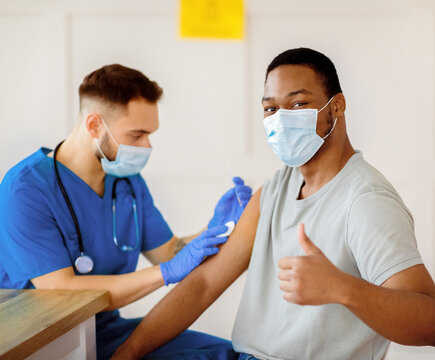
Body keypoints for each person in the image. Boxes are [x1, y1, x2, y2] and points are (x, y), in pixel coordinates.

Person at [113, 48, 435, 360]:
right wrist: (125, 355)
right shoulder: (275, 190)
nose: (281, 119)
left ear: (336, 106)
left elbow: (434, 325)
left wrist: (343, 288)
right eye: (271, 109)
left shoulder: (366, 201)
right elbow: (204, 285)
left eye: (299, 104)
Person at [0, 64, 252, 359]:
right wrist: (166, 274)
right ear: (94, 125)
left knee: (231, 355)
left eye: (150, 135)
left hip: (105, 331)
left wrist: (220, 227)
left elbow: (170, 252)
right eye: (137, 134)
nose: (147, 146)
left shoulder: (127, 181)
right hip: (44, 340)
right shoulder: (25, 189)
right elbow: (61, 290)